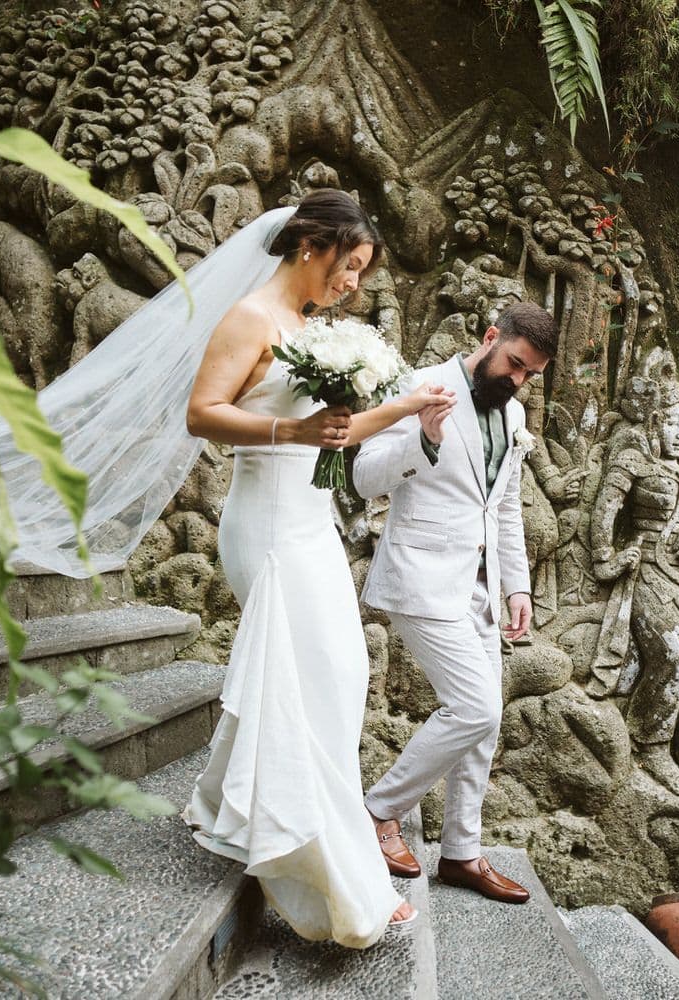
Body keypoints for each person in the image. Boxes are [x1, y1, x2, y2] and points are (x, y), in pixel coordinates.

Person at [180, 190, 456, 948]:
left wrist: (407, 405)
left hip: (308, 525)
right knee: (312, 681)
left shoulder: (310, 331)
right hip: (264, 524)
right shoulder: (250, 318)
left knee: (339, 677)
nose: (354, 284)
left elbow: (329, 435)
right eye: (351, 266)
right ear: (313, 248)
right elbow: (202, 412)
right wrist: (287, 426)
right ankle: (325, 873)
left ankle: (254, 816)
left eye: (362, 272)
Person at [353, 302, 557, 905]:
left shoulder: (513, 413)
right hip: (420, 576)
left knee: (482, 728)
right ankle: (378, 810)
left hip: (481, 588)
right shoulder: (421, 386)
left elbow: (506, 508)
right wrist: (423, 438)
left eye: (529, 375)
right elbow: (364, 475)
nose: (517, 381)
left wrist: (516, 585)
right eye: (514, 364)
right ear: (492, 337)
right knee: (476, 708)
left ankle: (461, 852)